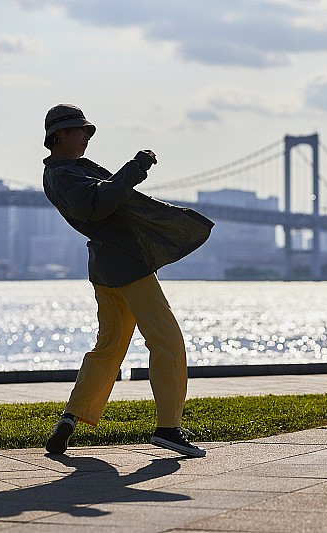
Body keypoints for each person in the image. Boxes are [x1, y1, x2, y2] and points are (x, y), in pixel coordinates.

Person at [40, 103, 213, 457]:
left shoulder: (66, 171)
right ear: (59, 135)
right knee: (167, 341)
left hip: (105, 268)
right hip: (127, 267)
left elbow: (104, 198)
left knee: (109, 347)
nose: (86, 136)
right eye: (80, 130)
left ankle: (71, 418)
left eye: (89, 131)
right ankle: (169, 427)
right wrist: (135, 167)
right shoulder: (63, 176)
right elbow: (98, 204)